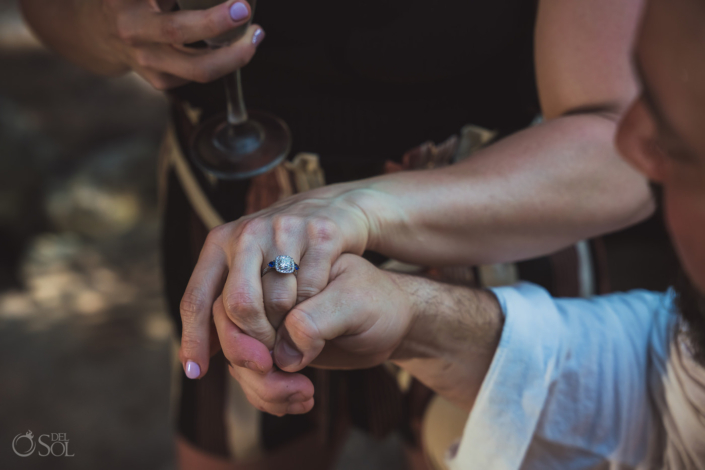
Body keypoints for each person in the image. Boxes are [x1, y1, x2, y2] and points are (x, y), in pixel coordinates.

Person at [20, 0, 654, 468]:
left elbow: (623, 146)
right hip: (233, 221)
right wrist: (106, 28)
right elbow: (48, 15)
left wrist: (349, 213)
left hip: (503, 209)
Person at [214, 0, 705, 466]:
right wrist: (410, 317)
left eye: (675, 139)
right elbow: (667, 386)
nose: (630, 144)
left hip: (497, 221)